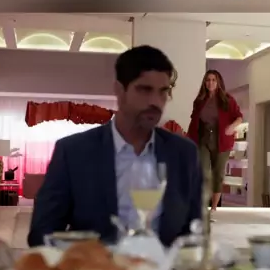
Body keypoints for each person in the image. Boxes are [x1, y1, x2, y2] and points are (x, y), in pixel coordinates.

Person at [27, 45, 203, 248]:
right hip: (98, 266)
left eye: (163, 92)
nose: (156, 102)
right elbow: (42, 234)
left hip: (165, 266)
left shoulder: (184, 154)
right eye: (144, 90)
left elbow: (195, 232)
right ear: (119, 90)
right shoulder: (74, 152)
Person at [187, 70, 243, 219]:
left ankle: (213, 208)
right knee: (204, 173)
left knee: (218, 174)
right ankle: (202, 208)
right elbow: (194, 121)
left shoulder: (227, 100)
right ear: (204, 83)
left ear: (218, 82)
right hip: (203, 139)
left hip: (222, 140)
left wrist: (231, 127)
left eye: (213, 80)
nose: (210, 83)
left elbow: (239, 117)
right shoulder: (199, 101)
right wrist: (188, 139)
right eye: (208, 80)